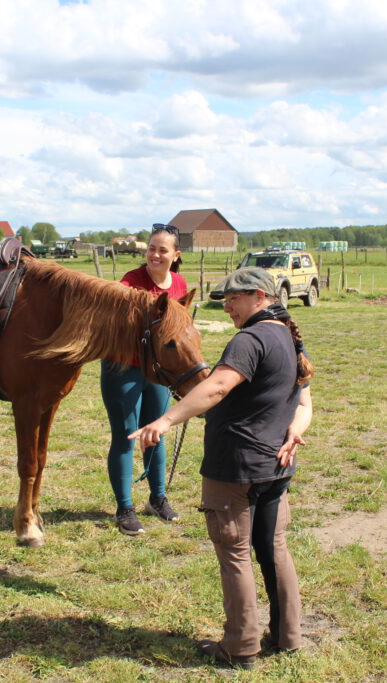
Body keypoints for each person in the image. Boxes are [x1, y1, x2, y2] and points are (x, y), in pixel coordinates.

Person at [130, 267, 313, 670]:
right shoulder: (288, 336)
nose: (228, 307)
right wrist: (295, 431)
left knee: (235, 555)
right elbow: (303, 403)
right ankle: (288, 637)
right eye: (224, 301)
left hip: (237, 468)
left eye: (234, 299)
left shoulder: (250, 339)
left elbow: (215, 387)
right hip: (275, 467)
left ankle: (241, 647)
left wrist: (164, 420)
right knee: (273, 550)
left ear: (260, 297)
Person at [101, 223, 190, 535]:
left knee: (156, 431)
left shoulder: (179, 284)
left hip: (159, 370)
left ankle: (157, 498)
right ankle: (124, 507)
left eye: (162, 250)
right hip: (124, 366)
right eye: (151, 248)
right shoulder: (131, 281)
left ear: (175, 255)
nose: (155, 254)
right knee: (126, 434)